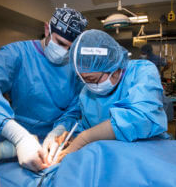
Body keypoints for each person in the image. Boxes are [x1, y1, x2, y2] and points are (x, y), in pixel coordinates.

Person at [0, 7, 88, 172]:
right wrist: (19, 137)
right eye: (61, 43)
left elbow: (74, 108)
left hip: (53, 145)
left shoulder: (74, 67)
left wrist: (59, 131)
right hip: (15, 141)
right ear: (47, 29)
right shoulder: (17, 54)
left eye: (71, 49)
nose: (64, 52)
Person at [53, 29, 168, 163]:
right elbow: (89, 125)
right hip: (111, 158)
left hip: (148, 155)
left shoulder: (142, 71)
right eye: (83, 80)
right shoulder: (86, 93)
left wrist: (85, 137)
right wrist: (74, 137)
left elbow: (143, 117)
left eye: (91, 79)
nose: (88, 85)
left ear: (113, 68)